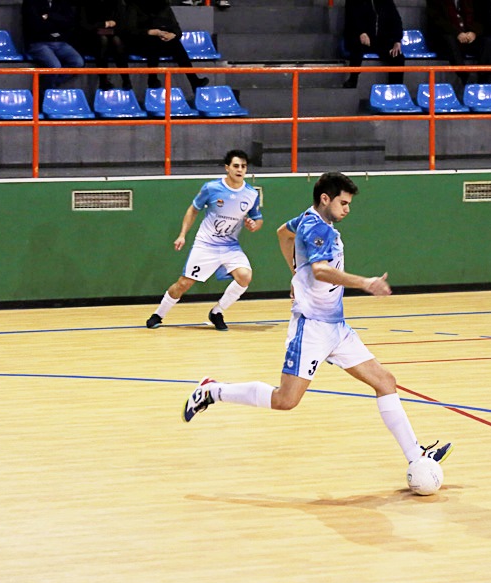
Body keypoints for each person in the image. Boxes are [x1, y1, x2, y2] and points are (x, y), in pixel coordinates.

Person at [181, 171, 454, 473]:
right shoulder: (316, 228)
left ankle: (417, 455)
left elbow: (282, 232)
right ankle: (211, 391)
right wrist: (365, 282)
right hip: (310, 327)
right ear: (326, 199)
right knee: (286, 400)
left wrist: (296, 272)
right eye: (343, 203)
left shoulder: (308, 219)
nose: (347, 209)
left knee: (385, 381)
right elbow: (322, 271)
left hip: (336, 327)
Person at [146, 149, 262, 331]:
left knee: (245, 276)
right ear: (227, 168)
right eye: (236, 166)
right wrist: (182, 235)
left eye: (244, 167)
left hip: (230, 246)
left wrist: (254, 225)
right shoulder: (211, 188)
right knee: (184, 284)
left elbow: (258, 218)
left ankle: (217, 312)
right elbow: (193, 210)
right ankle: (158, 314)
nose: (240, 170)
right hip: (206, 245)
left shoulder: (251, 194)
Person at [123, 0, 210, 90]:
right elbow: (130, 31)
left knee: (175, 43)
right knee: (153, 41)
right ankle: (152, 79)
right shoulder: (134, 6)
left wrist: (173, 35)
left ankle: (194, 81)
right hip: (140, 43)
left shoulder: (164, 6)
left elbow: (177, 28)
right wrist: (149, 32)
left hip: (162, 40)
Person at [21, 0, 86, 93]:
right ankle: (45, 94)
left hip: (60, 41)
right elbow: (35, 25)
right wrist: (56, 24)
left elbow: (69, 22)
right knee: (55, 66)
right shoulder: (31, 2)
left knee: (78, 62)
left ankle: (44, 88)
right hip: (38, 42)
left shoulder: (62, 2)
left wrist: (49, 16)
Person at [342, 0, 405, 89]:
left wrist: (397, 40)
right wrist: (361, 32)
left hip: (379, 40)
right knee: (357, 47)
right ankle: (353, 79)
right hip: (358, 36)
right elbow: (352, 17)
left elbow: (396, 20)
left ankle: (396, 89)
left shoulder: (386, 2)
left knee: (397, 56)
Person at [425, 0, 482, 94]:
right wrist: (457, 33)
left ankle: (484, 78)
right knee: (449, 39)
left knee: (489, 41)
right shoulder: (435, 2)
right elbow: (437, 21)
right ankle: (465, 77)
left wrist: (473, 32)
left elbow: (480, 19)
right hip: (444, 38)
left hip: (468, 37)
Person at [78, 0, 132, 90]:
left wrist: (108, 29)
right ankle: (103, 81)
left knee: (117, 41)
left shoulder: (117, 3)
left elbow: (123, 25)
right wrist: (103, 24)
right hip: (91, 37)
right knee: (103, 40)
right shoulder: (86, 4)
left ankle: (126, 80)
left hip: (113, 34)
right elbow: (84, 26)